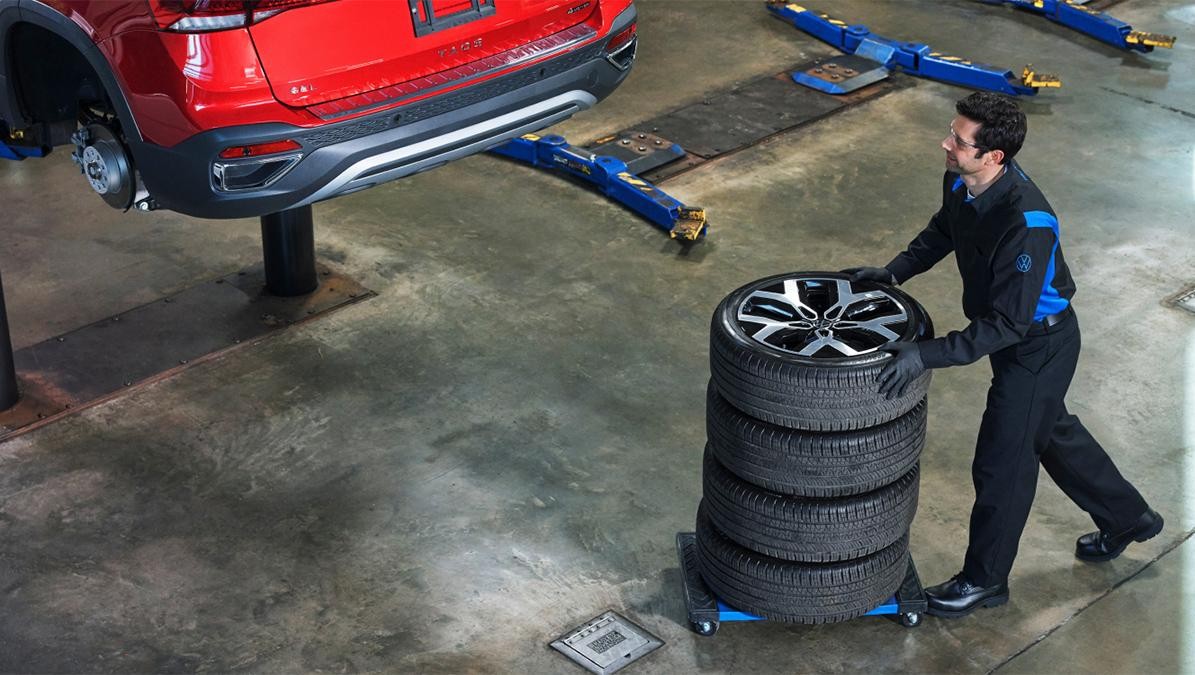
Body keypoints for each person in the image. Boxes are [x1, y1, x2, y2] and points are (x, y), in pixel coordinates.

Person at [844, 91, 1162, 619]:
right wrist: (895, 271)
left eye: (958, 141)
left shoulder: (1027, 222)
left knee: (1004, 463)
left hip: (1038, 345)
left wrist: (926, 354)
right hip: (1016, 334)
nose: (946, 144)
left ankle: (985, 581)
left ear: (994, 155)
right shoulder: (962, 178)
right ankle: (1129, 517)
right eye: (951, 132)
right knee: (1050, 431)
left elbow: (1008, 324)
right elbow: (945, 228)